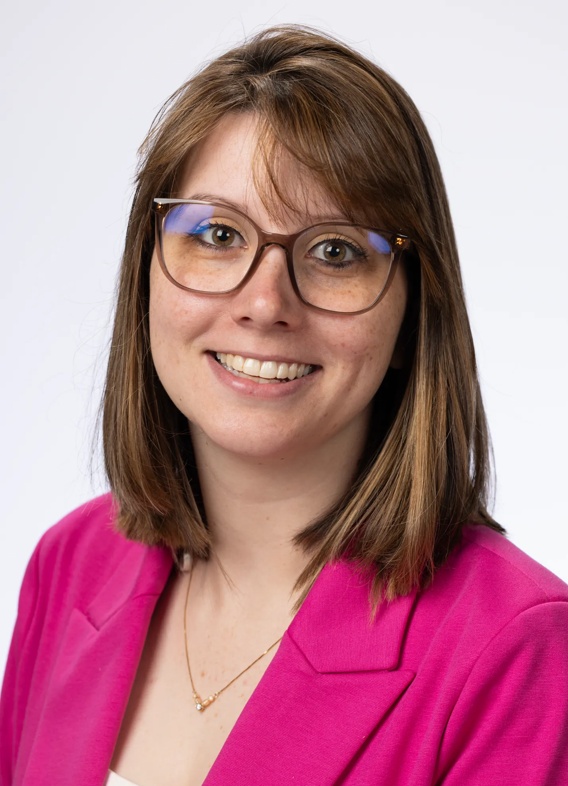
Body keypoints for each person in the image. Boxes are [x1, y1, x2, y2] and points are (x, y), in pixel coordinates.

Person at [1, 25, 567, 786]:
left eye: (335, 251)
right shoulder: (70, 564)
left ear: (412, 314)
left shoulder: (516, 650)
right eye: (216, 233)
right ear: (147, 274)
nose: (265, 303)